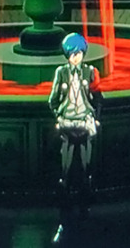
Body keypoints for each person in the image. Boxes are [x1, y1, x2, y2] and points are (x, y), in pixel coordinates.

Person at [49, 33, 102, 191]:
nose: (76, 57)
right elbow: (53, 99)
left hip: (85, 118)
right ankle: (64, 180)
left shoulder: (90, 71)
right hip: (67, 119)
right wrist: (58, 116)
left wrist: (96, 118)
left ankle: (88, 179)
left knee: (87, 149)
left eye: (78, 53)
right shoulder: (61, 72)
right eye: (72, 54)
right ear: (67, 55)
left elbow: (98, 97)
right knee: (67, 148)